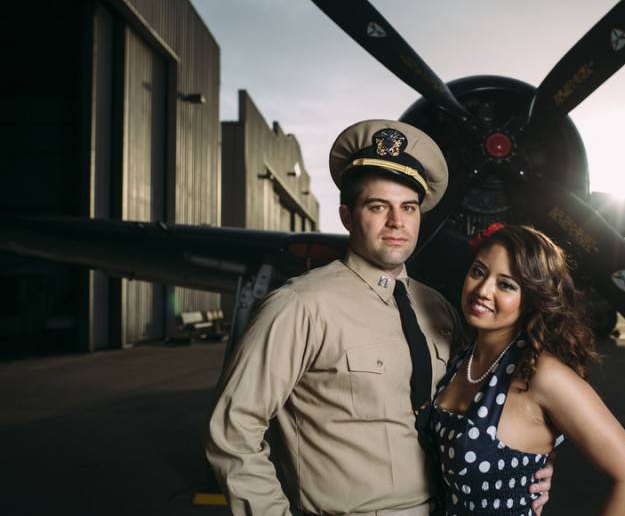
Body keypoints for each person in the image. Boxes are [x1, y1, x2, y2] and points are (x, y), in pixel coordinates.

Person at [206, 120, 553, 516]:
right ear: (347, 216)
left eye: (408, 207)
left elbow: (483, 406)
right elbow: (232, 434)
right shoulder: (299, 306)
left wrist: (531, 458)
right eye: (377, 207)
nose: (396, 222)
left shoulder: (439, 308)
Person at [430, 224, 625, 515]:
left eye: (506, 284)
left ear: (532, 298)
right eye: (479, 272)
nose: (483, 290)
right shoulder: (461, 357)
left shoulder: (542, 375)